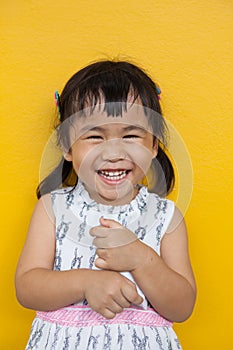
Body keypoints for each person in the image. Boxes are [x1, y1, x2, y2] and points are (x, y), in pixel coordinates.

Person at [15, 60, 196, 349]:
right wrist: (87, 282)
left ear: (153, 145)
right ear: (67, 146)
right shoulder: (53, 209)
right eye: (95, 136)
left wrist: (142, 259)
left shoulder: (165, 217)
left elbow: (182, 307)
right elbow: (27, 287)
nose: (113, 152)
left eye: (131, 135)